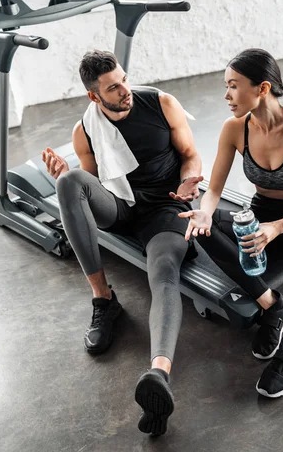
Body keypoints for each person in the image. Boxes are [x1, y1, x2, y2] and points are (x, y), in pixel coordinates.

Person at [42, 50, 203, 435]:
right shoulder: (85, 130)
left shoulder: (161, 103)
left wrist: (188, 180)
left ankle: (158, 374)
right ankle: (104, 300)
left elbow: (191, 155)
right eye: (114, 88)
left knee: (163, 273)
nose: (125, 90)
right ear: (94, 97)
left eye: (125, 79)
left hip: (167, 207)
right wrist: (70, 176)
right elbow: (94, 180)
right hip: (122, 206)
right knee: (69, 182)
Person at [179, 48, 283, 398]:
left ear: (262, 88)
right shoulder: (235, 128)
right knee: (203, 229)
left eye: (234, 86)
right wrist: (205, 211)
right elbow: (214, 189)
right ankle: (273, 305)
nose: (227, 95)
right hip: (261, 214)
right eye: (226, 86)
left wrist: (281, 226)